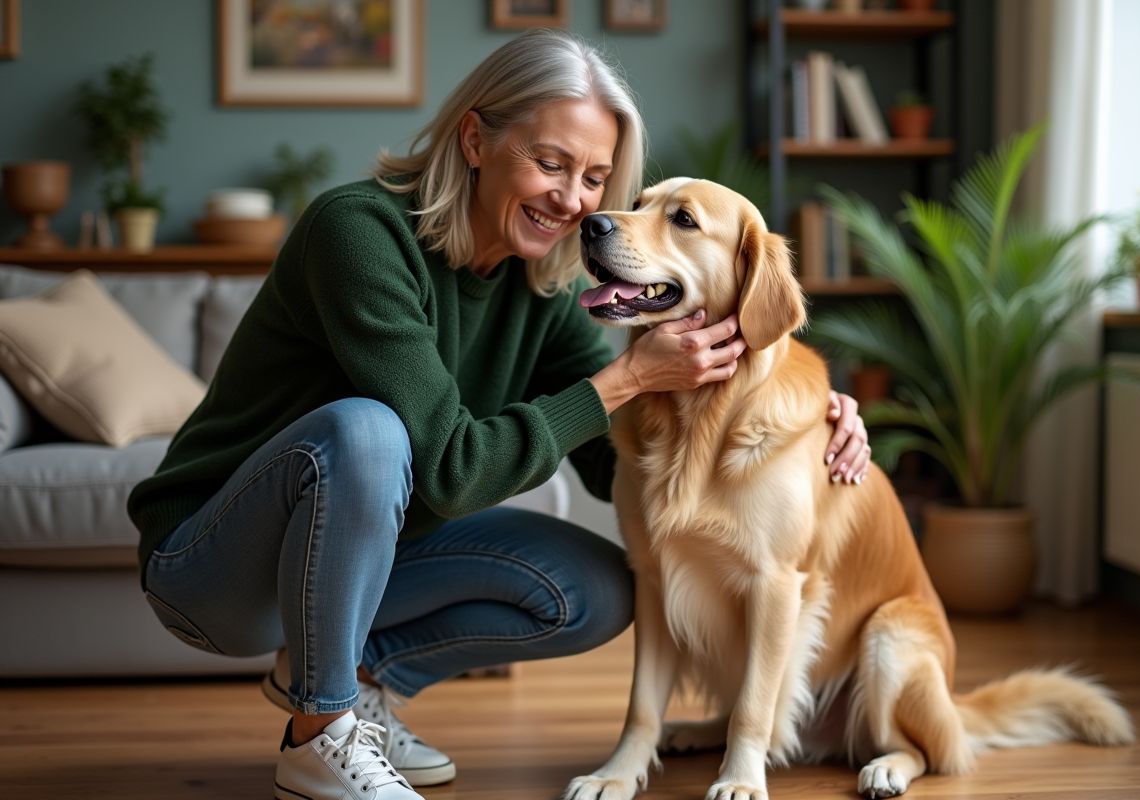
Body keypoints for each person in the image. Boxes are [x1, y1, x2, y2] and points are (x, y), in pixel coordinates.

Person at [127, 28, 871, 800]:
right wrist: (625, 380)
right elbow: (451, 473)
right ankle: (323, 729)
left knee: (593, 589)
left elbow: (618, 460)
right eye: (550, 164)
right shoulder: (357, 233)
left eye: (594, 177)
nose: (575, 202)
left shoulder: (539, 289)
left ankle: (348, 678)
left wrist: (792, 419)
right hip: (210, 567)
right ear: (475, 138)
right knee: (367, 433)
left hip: (352, 565)